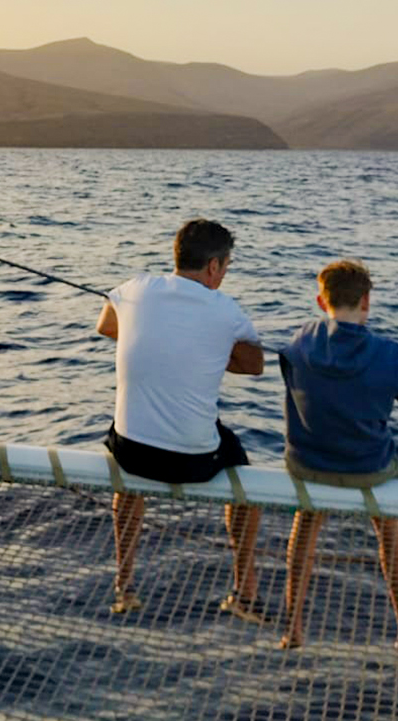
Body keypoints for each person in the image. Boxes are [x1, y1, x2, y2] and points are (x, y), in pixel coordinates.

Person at [277, 258, 398, 657]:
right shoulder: (387, 354)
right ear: (366, 301)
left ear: (320, 300)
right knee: (390, 534)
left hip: (307, 465)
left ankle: (293, 627)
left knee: (306, 523)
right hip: (368, 469)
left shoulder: (298, 341)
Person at [97, 218, 265, 618]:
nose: (224, 274)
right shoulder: (226, 309)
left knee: (129, 444)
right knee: (245, 484)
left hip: (133, 454)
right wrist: (205, 348)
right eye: (226, 267)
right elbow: (255, 364)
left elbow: (106, 326)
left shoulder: (135, 288)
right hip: (192, 461)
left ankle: (124, 584)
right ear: (213, 267)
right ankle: (244, 591)